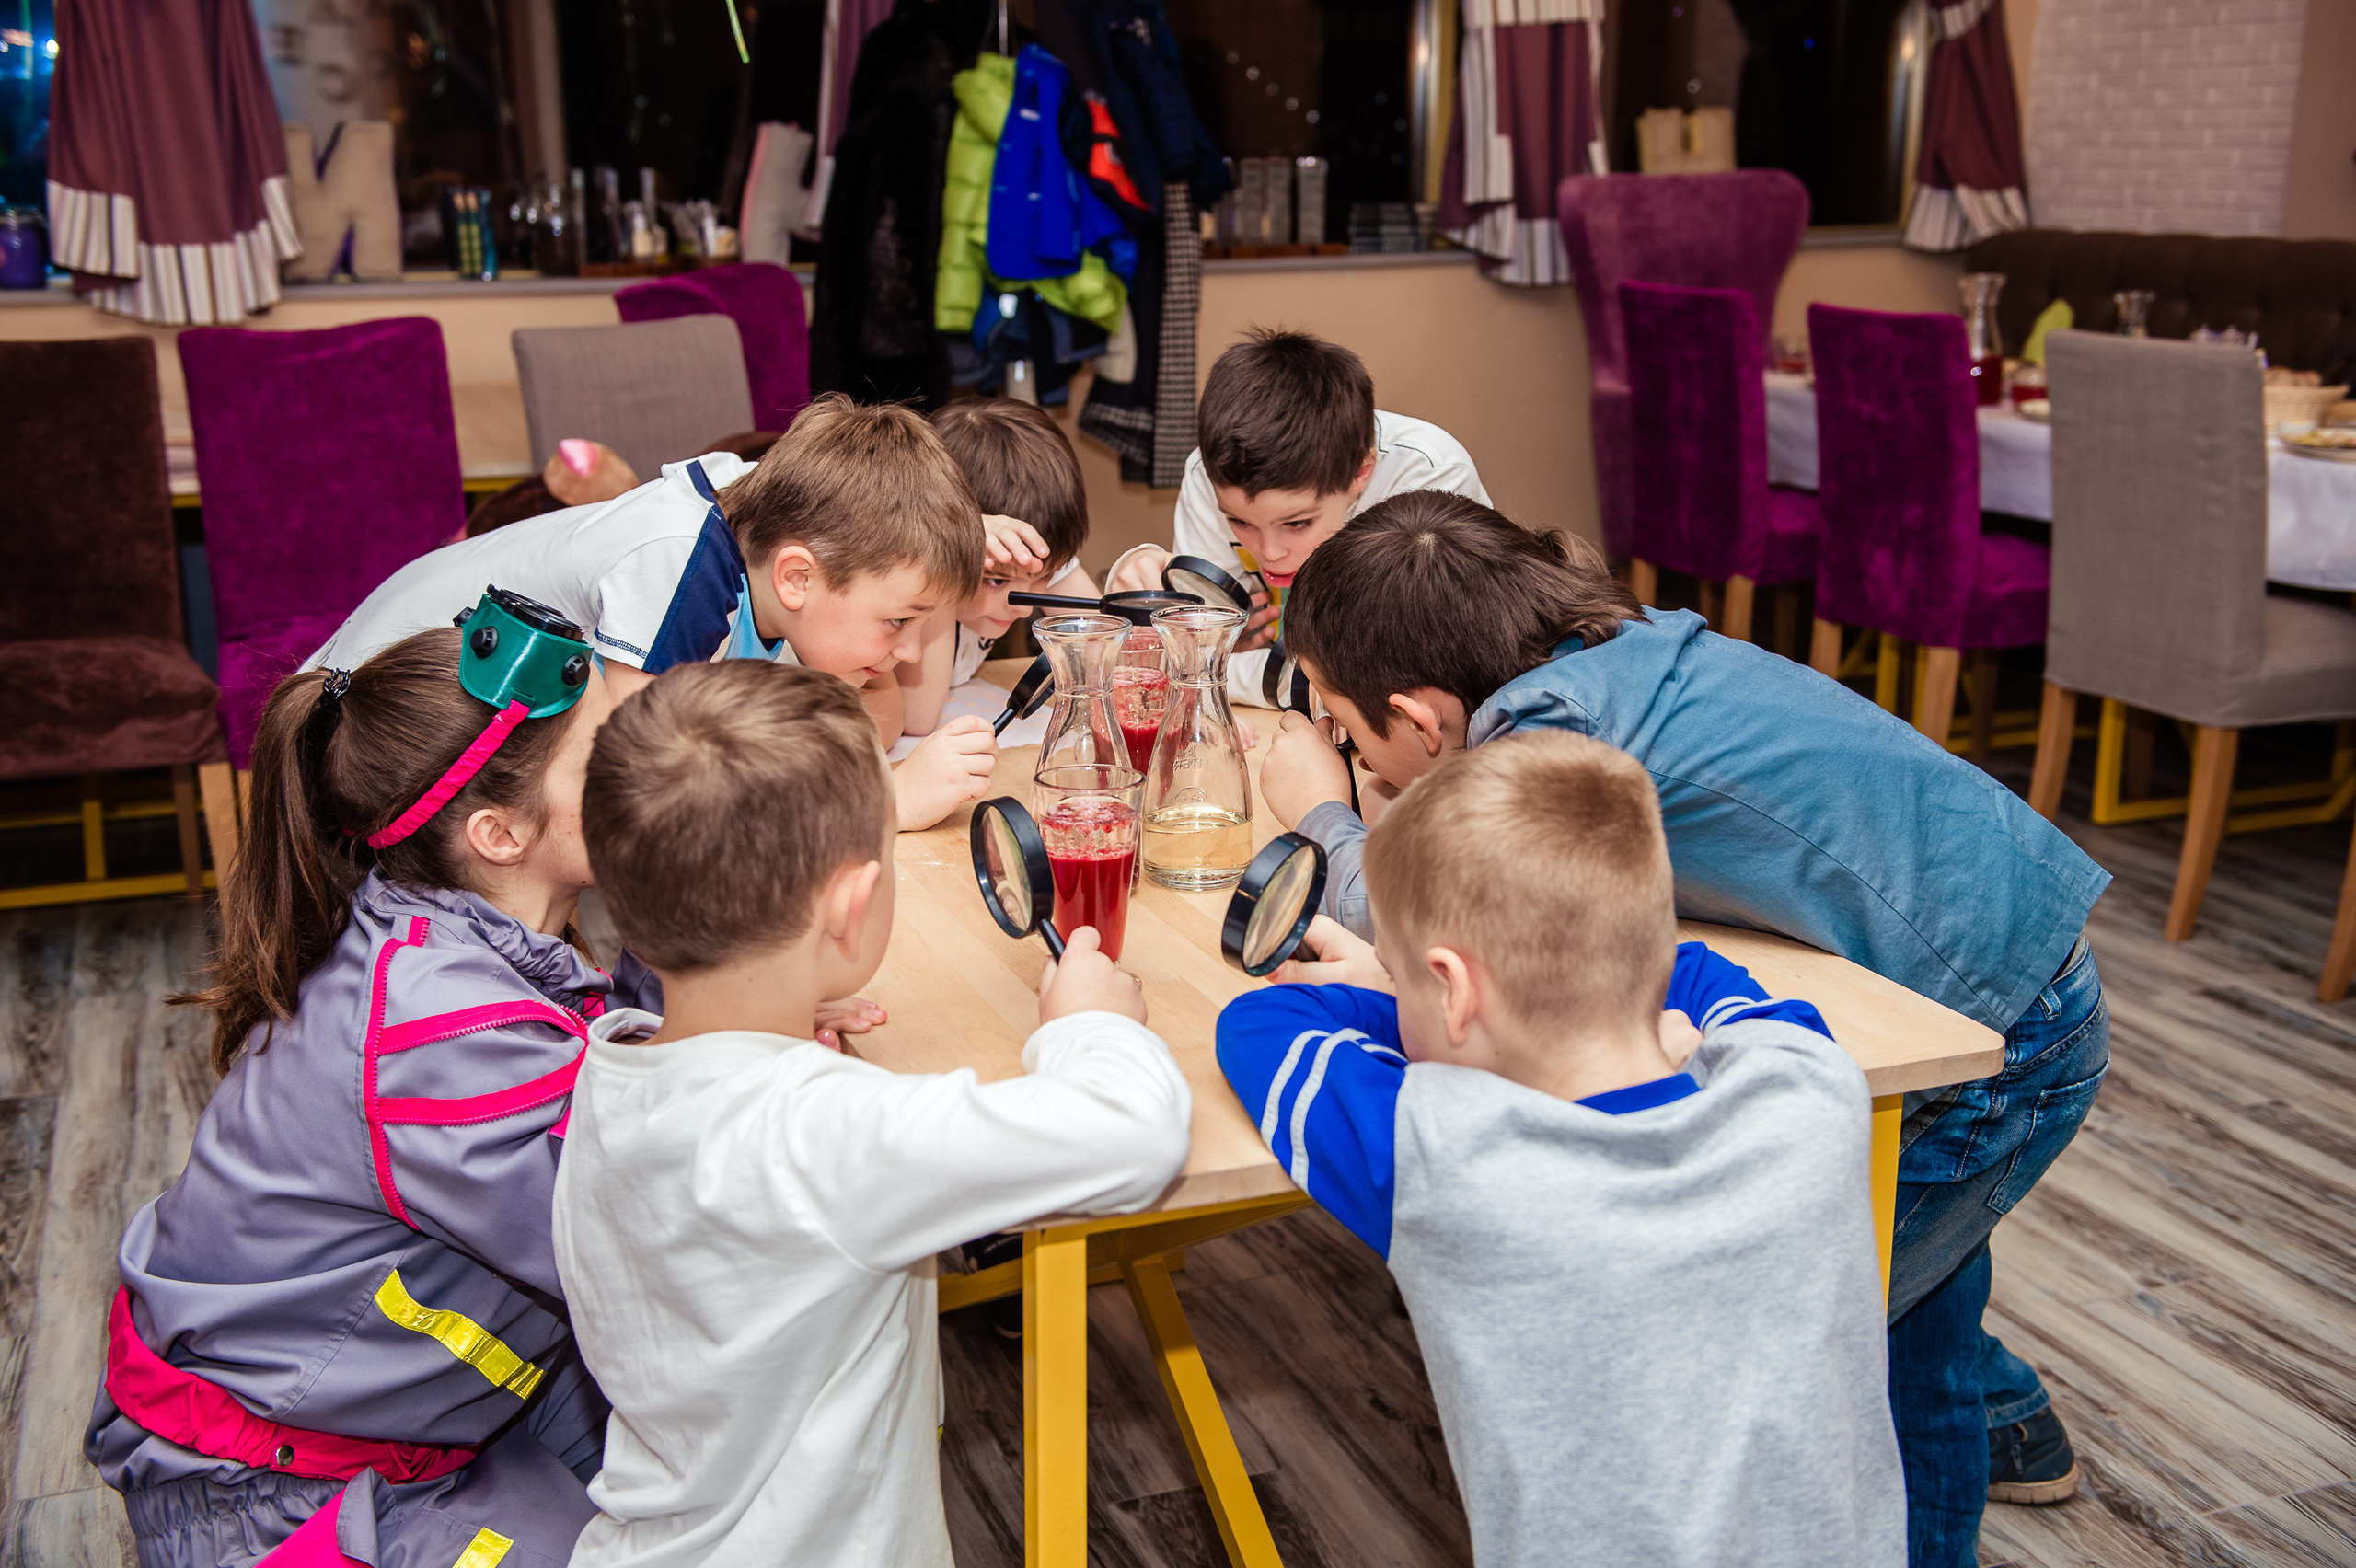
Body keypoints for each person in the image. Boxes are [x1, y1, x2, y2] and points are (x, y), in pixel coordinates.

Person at [1259, 490, 2111, 1568]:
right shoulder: (1609, 646)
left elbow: (1468, 926)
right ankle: (2013, 1426)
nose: (1350, 748)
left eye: (1346, 723)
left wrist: (1322, 816)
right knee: (1907, 1291)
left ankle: (1974, 1458)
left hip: (2002, 1028)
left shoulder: (1547, 734)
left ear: (1425, 718)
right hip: (2013, 955)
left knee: (1842, 1329)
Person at [87, 602, 688, 1567]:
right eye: (599, 759)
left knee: (702, 1481)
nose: (638, 771)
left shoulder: (441, 938)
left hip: (396, 1419)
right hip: (280, 1500)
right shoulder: (444, 1030)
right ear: (498, 834)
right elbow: (645, 1246)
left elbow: (611, 1093)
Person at [555, 660, 1193, 1567]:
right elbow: (1138, 1133)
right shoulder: (822, 1135)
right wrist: (1087, 1020)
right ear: (852, 910)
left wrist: (784, 1020)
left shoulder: (610, 1069)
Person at [1218, 731, 1905, 1568]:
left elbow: (1259, 1023)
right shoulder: (1810, 1091)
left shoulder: (1447, 1156)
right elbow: (1688, 966)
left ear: (1456, 990)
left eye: (1404, 978)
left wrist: (1385, 999)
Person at [308, 395, 995, 831]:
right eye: (900, 621)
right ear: (797, 578)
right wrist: (879, 809)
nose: (906, 652)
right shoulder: (683, 568)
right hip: (366, 738)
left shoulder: (772, 529)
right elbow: (655, 795)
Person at [1103, 327, 1489, 704]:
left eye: (1297, 523)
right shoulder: (1206, 476)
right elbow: (1192, 647)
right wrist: (1150, 591)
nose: (1269, 552)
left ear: (1360, 472)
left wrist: (1216, 673)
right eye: (1240, 522)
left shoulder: (1429, 476)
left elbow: (1403, 677)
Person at [898, 399, 1104, 738]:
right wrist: (949, 547)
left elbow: (1105, 646)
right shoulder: (913, 581)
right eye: (995, 580)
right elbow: (916, 718)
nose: (1024, 608)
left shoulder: (1025, 557)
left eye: (1044, 578)